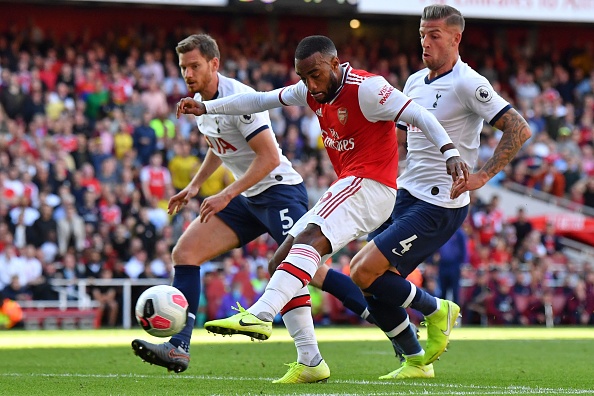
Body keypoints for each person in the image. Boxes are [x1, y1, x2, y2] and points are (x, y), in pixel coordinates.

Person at [186, 35, 468, 375]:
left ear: (335, 64)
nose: (310, 85)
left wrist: (450, 152)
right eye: (303, 77)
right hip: (350, 184)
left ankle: (261, 314)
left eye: (316, 75)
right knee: (281, 260)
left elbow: (419, 114)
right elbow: (260, 99)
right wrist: (207, 107)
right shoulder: (309, 89)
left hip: (371, 185)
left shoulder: (367, 88)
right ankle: (313, 362)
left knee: (309, 244)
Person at [131, 34, 378, 383]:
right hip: (247, 199)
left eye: (195, 66)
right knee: (185, 252)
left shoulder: (239, 99)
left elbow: (269, 157)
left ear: (214, 64)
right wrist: (195, 186)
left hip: (279, 191)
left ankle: (389, 322)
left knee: (312, 273)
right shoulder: (201, 103)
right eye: (184, 67)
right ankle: (178, 346)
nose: (188, 73)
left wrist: (225, 195)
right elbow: (220, 146)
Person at [346, 4, 531, 379]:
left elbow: (519, 128)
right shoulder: (414, 82)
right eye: (422, 35)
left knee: (363, 270)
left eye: (434, 36)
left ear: (455, 38)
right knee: (366, 282)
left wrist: (482, 176)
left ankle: (437, 310)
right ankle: (416, 361)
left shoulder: (468, 83)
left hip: (439, 203)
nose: (425, 43)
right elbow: (403, 130)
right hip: (406, 194)